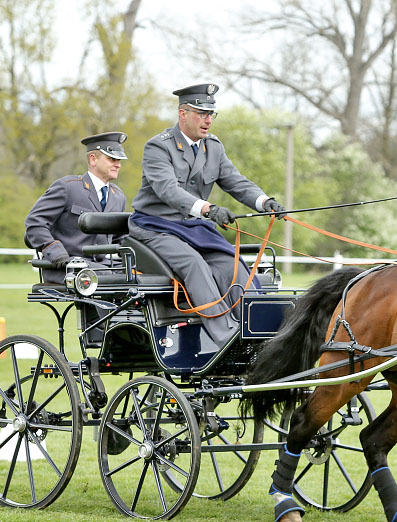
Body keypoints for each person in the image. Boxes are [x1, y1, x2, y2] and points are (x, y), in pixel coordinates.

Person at [128, 83, 285, 349]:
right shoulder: (158, 147)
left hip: (192, 229)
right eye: (201, 113)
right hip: (155, 227)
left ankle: (259, 333)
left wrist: (264, 201)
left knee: (232, 266)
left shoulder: (213, 147)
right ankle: (227, 337)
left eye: (211, 113)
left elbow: (236, 182)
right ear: (183, 114)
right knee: (194, 265)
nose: (208, 119)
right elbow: (168, 190)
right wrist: (208, 209)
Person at [25, 131, 129, 284]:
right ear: (93, 159)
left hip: (102, 266)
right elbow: (35, 223)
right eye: (112, 159)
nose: (118, 164)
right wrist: (54, 251)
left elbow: (121, 238)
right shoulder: (68, 188)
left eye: (119, 160)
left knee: (143, 276)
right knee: (110, 279)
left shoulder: (118, 196)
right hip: (68, 266)